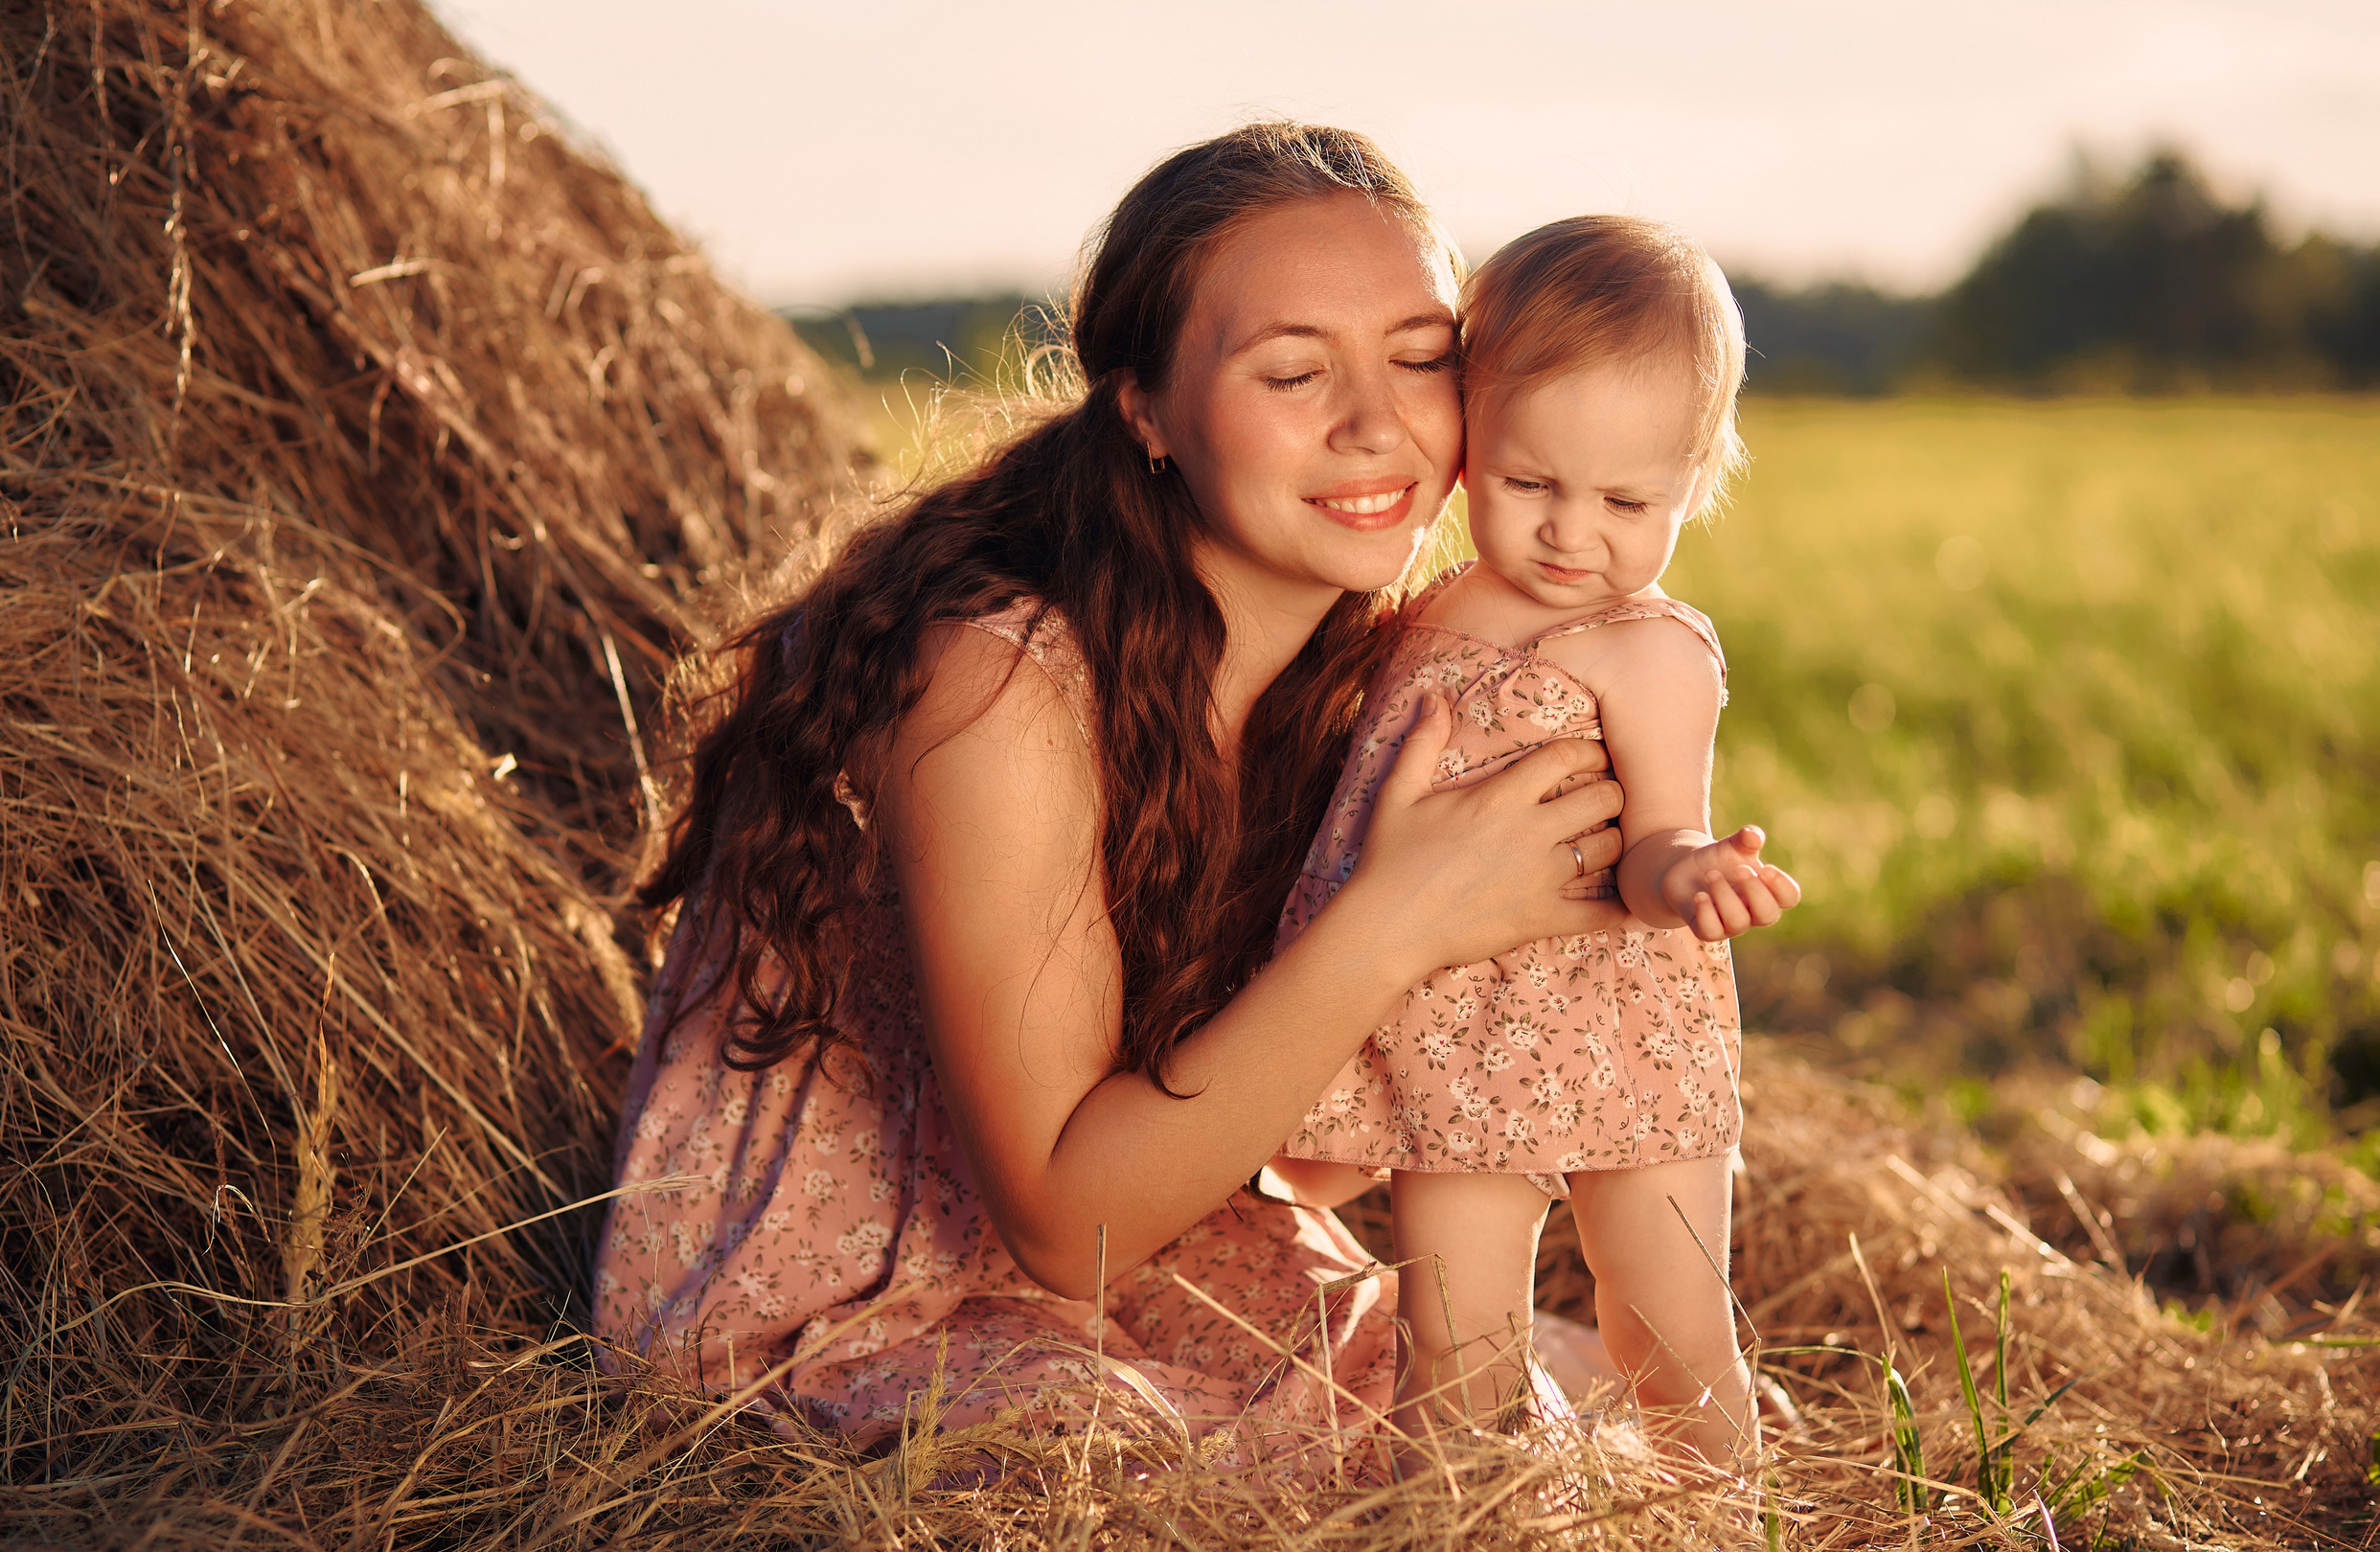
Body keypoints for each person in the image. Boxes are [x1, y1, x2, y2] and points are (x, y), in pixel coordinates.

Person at [591, 123, 1631, 1451]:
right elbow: (1059, 1221)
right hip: (851, 1304)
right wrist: (1400, 921)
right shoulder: (997, 681)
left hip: (1155, 1232)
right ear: (1144, 408)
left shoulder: (1367, 671)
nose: (1378, 424)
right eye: (1293, 371)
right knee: (1182, 1469)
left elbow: (1298, 1148)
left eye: (1422, 359)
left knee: (1575, 1434)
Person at [1272, 217, 1801, 1472]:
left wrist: (1694, 873)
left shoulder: (1650, 650)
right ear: (1469, 441)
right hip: (1455, 1029)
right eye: (1529, 484)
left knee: (1662, 1321)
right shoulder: (1430, 612)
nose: (1574, 532)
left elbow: (1657, 831)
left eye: (1627, 501)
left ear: (1694, 481)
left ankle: (1728, 1539)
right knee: (1452, 1338)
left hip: (1624, 1023)